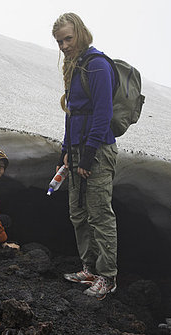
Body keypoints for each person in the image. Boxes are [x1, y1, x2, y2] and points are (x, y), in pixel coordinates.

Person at [52, 13, 118, 300]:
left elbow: (103, 113)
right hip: (77, 148)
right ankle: (89, 268)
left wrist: (89, 154)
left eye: (68, 38)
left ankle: (108, 277)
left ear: (80, 32)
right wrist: (66, 151)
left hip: (97, 149)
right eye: (59, 41)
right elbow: (72, 115)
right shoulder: (73, 65)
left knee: (99, 214)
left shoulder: (97, 66)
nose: (64, 45)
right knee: (78, 212)